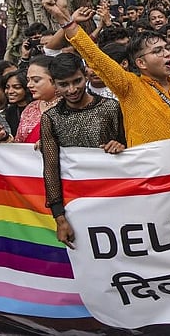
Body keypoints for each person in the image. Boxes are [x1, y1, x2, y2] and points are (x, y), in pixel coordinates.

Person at [42, 0, 170, 146]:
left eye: (166, 48)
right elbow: (96, 57)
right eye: (157, 51)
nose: (166, 53)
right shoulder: (129, 86)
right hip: (148, 177)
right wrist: (63, 17)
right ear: (140, 63)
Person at [41, 53, 125, 249]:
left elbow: (131, 149)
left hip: (116, 197)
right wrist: (59, 217)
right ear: (54, 83)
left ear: (86, 75)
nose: (72, 89)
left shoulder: (111, 108)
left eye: (77, 81)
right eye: (64, 84)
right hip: (77, 203)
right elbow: (51, 167)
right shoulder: (50, 118)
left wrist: (121, 147)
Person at [15, 55, 60, 143]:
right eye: (28, 80)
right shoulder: (31, 108)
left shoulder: (68, 107)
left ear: (54, 80)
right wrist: (3, 136)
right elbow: (19, 145)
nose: (29, 85)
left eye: (36, 80)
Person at [3, 70, 32, 135]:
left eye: (17, 87)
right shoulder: (10, 110)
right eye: (7, 87)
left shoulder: (38, 108)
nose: (10, 91)